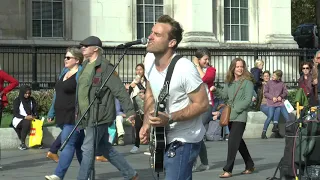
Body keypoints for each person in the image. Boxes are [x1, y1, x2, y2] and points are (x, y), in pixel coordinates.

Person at [140, 15, 209, 180]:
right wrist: (146, 122)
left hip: (185, 138)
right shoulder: (149, 59)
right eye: (151, 32)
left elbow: (202, 104)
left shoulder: (185, 68)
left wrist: (170, 117)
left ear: (172, 43)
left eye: (157, 34)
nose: (150, 37)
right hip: (162, 136)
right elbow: (150, 90)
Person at [76, 36, 138, 180]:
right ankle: (130, 174)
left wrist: (129, 111)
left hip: (99, 115)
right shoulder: (85, 65)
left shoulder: (105, 67)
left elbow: (120, 91)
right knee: (104, 147)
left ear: (96, 49)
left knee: (87, 148)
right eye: (81, 46)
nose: (82, 48)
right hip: (86, 114)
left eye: (86, 46)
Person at [45, 47, 85, 180]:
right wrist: (51, 112)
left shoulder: (80, 73)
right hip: (62, 114)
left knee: (68, 144)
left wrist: (81, 113)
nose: (65, 59)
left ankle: (58, 175)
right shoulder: (64, 72)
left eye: (68, 57)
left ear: (77, 60)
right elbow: (57, 93)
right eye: (65, 57)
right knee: (79, 148)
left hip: (73, 115)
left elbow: (83, 94)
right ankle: (88, 174)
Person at [219, 58, 255, 178]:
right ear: (233, 68)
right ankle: (250, 165)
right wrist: (214, 91)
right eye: (237, 66)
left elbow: (247, 101)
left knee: (232, 142)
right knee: (238, 142)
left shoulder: (247, 82)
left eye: (242, 66)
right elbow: (224, 96)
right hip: (231, 116)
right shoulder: (229, 82)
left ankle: (228, 169)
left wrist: (234, 111)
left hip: (240, 116)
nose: (240, 69)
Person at [192, 48, 216, 171]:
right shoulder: (191, 70)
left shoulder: (212, 70)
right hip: (194, 105)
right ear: (198, 59)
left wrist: (197, 66)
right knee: (198, 134)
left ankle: (193, 163)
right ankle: (204, 163)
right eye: (204, 59)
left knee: (197, 132)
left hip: (207, 105)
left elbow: (205, 79)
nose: (207, 61)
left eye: (208, 59)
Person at [125, 63, 146, 153]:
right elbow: (130, 94)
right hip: (137, 107)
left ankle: (151, 145)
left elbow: (147, 90)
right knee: (137, 126)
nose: (138, 71)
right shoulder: (135, 81)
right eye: (137, 69)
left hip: (146, 107)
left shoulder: (147, 80)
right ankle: (136, 145)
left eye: (140, 69)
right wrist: (130, 87)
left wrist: (139, 84)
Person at [263, 70, 290, 137]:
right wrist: (272, 98)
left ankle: (290, 133)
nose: (272, 76)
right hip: (271, 103)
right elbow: (265, 93)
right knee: (270, 116)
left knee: (287, 118)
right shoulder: (269, 83)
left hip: (280, 103)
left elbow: (286, 92)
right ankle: (263, 133)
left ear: (278, 77)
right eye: (273, 75)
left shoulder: (282, 83)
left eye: (274, 75)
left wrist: (281, 96)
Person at [12, 85, 38, 150]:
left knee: (38, 123)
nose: (27, 95)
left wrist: (35, 116)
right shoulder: (17, 100)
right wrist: (25, 117)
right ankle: (22, 143)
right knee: (27, 122)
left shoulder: (32, 100)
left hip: (30, 117)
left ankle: (38, 142)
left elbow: (35, 110)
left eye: (29, 93)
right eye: (25, 93)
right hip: (19, 119)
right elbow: (16, 113)